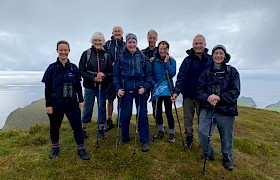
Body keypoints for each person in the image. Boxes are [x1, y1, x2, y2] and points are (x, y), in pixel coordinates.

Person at [42, 40, 90, 160]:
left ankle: (81, 149)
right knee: (54, 127)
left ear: (69, 51)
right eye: (61, 50)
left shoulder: (73, 68)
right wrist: (48, 105)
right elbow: (47, 87)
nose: (63, 52)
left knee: (77, 126)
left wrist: (81, 100)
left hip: (72, 104)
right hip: (56, 104)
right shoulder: (51, 68)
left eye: (65, 50)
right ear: (57, 51)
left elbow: (78, 86)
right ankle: (55, 148)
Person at [197, 44, 240, 171]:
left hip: (227, 110)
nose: (218, 55)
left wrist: (219, 97)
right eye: (216, 53)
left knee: (226, 137)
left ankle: (227, 159)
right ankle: (208, 154)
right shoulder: (206, 72)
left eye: (221, 53)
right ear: (212, 56)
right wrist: (208, 97)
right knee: (202, 131)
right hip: (208, 107)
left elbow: (235, 92)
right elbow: (199, 90)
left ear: (225, 56)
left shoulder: (232, 72)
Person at [113, 33, 153, 152]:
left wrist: (145, 87)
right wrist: (118, 88)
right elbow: (116, 75)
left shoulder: (143, 57)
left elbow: (149, 76)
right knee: (125, 115)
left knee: (142, 116)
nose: (131, 44)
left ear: (136, 43)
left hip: (140, 90)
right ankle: (125, 137)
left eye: (133, 42)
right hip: (126, 91)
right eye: (129, 42)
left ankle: (145, 141)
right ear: (126, 43)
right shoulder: (120, 58)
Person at [172, 34, 212, 148]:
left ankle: (202, 139)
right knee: (188, 119)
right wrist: (176, 92)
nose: (198, 46)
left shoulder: (210, 60)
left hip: (204, 97)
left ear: (205, 44)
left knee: (203, 120)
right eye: (196, 43)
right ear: (193, 45)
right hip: (188, 95)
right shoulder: (187, 60)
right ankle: (189, 137)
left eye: (200, 43)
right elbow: (181, 77)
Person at [79, 32, 113, 139]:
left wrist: (103, 76)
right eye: (95, 40)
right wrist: (93, 78)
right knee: (87, 107)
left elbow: (111, 72)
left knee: (102, 107)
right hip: (89, 86)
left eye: (99, 40)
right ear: (92, 41)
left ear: (103, 42)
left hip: (102, 87)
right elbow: (81, 71)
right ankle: (83, 129)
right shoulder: (86, 54)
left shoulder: (106, 55)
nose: (97, 42)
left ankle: (101, 129)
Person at [151, 41, 177, 143]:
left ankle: (171, 133)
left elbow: (172, 73)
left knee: (168, 111)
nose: (163, 50)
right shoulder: (154, 61)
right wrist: (154, 84)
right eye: (161, 48)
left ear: (168, 50)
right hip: (157, 89)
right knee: (157, 112)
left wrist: (166, 62)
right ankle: (160, 131)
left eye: (165, 49)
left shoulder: (171, 61)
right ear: (158, 49)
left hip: (168, 89)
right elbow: (151, 74)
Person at [104, 26, 126, 132]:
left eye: (119, 31)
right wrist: (110, 64)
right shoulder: (107, 44)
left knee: (121, 98)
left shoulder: (126, 45)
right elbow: (102, 57)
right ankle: (109, 120)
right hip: (109, 76)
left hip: (122, 76)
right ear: (112, 32)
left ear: (122, 33)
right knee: (110, 99)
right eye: (115, 31)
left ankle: (120, 119)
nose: (117, 33)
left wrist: (119, 65)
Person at [142, 29, 158, 119]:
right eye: (150, 38)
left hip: (156, 81)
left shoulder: (160, 52)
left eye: (153, 38)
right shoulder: (143, 52)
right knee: (143, 100)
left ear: (156, 39)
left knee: (156, 102)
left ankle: (158, 121)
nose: (152, 40)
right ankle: (141, 120)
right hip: (146, 80)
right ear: (147, 38)